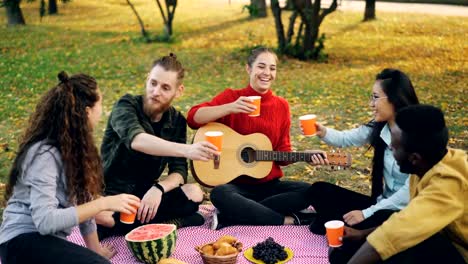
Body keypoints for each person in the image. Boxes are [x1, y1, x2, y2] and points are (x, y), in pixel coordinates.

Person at [0, 71, 141, 264]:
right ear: (87, 112)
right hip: (20, 242)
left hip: (47, 242)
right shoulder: (44, 154)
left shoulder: (75, 149)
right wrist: (103, 203)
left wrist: (96, 251)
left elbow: (84, 204)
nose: (102, 110)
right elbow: (45, 222)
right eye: (100, 103)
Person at [187, 47, 327, 230]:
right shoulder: (232, 97)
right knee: (220, 195)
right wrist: (230, 108)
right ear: (249, 69)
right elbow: (193, 117)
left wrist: (305, 156)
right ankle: (287, 220)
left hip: (270, 188)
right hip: (236, 188)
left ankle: (235, 215)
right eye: (261, 67)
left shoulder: (281, 106)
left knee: (310, 191)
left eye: (272, 68)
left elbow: (283, 154)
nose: (267, 73)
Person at [96, 54, 219, 239]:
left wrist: (158, 189)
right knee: (103, 217)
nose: (156, 91)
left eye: (165, 87)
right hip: (113, 194)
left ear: (178, 91)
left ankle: (142, 225)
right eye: (153, 83)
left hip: (146, 197)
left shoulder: (176, 121)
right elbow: (138, 140)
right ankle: (170, 223)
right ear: (147, 79)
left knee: (194, 193)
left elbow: (179, 172)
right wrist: (187, 149)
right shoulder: (126, 105)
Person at [347, 105, 467, 264]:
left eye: (395, 146)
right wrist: (362, 234)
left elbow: (398, 231)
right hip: (439, 237)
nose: (390, 148)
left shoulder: (448, 184)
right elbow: (408, 219)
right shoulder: (428, 162)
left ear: (414, 158)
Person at [307, 69, 419, 236]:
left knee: (346, 238)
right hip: (380, 204)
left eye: (375, 97)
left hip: (403, 213)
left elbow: (407, 193)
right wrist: (323, 132)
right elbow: (346, 138)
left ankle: (352, 230)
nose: (371, 104)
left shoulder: (418, 135)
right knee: (319, 190)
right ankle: (347, 228)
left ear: (395, 98)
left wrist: (366, 213)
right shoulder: (381, 126)